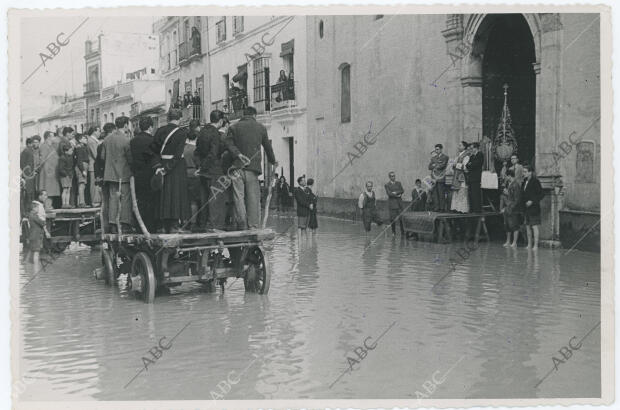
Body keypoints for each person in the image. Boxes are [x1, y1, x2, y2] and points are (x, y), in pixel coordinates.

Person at [225, 106, 277, 230]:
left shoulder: (233, 127)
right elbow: (268, 147)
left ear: (244, 114)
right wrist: (273, 161)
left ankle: (241, 222)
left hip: (237, 168)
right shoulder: (261, 128)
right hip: (253, 169)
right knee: (253, 198)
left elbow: (228, 143)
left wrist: (238, 154)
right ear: (254, 115)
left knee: (239, 197)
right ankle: (253, 225)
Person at [151, 109, 190, 233]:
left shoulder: (159, 131)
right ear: (179, 119)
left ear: (168, 118)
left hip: (161, 163)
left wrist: (158, 167)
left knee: (162, 195)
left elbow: (153, 151)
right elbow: (178, 155)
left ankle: (161, 225)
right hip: (175, 168)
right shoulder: (182, 132)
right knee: (175, 194)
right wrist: (167, 169)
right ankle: (174, 225)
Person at [196, 110, 228, 231]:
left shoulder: (202, 131)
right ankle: (215, 226)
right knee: (216, 199)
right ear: (220, 121)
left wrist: (200, 166)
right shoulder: (215, 133)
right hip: (214, 170)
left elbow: (197, 152)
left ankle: (204, 224)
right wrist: (205, 166)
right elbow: (213, 153)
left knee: (204, 199)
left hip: (203, 172)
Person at [101, 116, 134, 233]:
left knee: (112, 198)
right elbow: (130, 158)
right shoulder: (126, 140)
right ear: (125, 125)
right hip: (123, 173)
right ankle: (125, 223)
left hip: (109, 174)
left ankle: (112, 224)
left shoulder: (107, 139)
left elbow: (102, 157)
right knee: (125, 198)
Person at [130, 116, 159, 233]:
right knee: (152, 201)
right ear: (150, 127)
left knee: (140, 201)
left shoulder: (133, 141)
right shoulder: (153, 141)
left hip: (137, 174)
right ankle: (150, 226)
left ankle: (138, 226)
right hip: (150, 174)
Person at [184, 119, 201, 232]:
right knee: (194, 201)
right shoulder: (196, 150)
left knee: (186, 199)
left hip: (184, 173)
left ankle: (186, 222)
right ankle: (194, 222)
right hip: (195, 174)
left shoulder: (183, 148)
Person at [25, 190, 51, 267]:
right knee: (36, 252)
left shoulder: (31, 214)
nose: (46, 197)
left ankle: (26, 265)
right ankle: (35, 269)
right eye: (45, 195)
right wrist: (46, 231)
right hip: (36, 235)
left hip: (32, 235)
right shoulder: (37, 210)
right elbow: (42, 221)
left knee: (31, 250)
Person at [521, 164, 544, 250]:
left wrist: (532, 201)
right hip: (526, 208)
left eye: (525, 172)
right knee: (527, 227)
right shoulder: (524, 182)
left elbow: (541, 194)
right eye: (523, 172)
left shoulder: (535, 181)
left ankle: (535, 245)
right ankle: (529, 244)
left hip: (534, 208)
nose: (524, 173)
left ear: (530, 172)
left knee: (534, 226)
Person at [37, 131, 61, 209]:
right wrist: (48, 171)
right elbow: (42, 160)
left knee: (52, 191)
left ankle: (49, 205)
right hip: (48, 173)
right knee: (48, 190)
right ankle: (47, 206)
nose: (54, 138)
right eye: (53, 136)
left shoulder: (51, 146)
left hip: (52, 172)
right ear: (48, 137)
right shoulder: (44, 146)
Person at [500, 169, 522, 248]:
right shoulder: (509, 184)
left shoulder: (516, 185)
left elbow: (517, 199)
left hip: (513, 208)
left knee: (514, 225)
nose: (505, 178)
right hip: (508, 207)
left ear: (509, 176)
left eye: (506, 176)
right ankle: (508, 241)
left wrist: (511, 207)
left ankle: (514, 242)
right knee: (507, 225)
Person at [450, 141, 470, 213]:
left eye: (460, 145)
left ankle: (462, 209)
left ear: (464, 147)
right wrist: (453, 165)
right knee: (456, 192)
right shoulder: (458, 156)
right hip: (456, 175)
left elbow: (465, 166)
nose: (459, 147)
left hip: (462, 176)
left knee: (462, 192)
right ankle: (456, 208)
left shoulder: (466, 155)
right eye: (459, 145)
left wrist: (455, 165)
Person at [428, 144, 449, 211]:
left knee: (441, 193)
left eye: (438, 149)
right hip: (433, 178)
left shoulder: (445, 157)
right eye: (435, 149)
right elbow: (429, 167)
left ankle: (442, 208)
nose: (436, 151)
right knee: (435, 193)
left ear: (441, 149)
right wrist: (435, 165)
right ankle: (436, 207)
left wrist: (435, 165)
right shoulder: (433, 158)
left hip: (440, 178)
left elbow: (442, 166)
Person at [465, 142, 484, 213]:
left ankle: (477, 209)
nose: (471, 150)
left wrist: (470, 164)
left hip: (476, 177)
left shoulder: (480, 155)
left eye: (472, 148)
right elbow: (467, 165)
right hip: (471, 177)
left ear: (476, 148)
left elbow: (476, 164)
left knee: (476, 193)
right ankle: (472, 208)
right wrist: (470, 164)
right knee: (471, 194)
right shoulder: (472, 156)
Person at [384, 171, 405, 235]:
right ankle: (393, 232)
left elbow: (402, 190)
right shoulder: (387, 185)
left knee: (401, 218)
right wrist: (397, 195)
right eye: (392, 176)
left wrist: (395, 192)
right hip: (392, 204)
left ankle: (402, 232)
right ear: (389, 177)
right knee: (393, 219)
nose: (393, 177)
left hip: (399, 204)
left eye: (394, 176)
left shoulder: (398, 183)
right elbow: (389, 194)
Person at [20, 137, 36, 217]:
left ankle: (30, 209)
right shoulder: (25, 151)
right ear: (29, 144)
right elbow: (22, 164)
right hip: (27, 175)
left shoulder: (30, 151)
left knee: (31, 192)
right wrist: (27, 172)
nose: (33, 145)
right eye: (32, 143)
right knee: (27, 192)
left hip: (31, 175)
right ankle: (26, 210)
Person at [86, 126, 102, 206]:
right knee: (93, 184)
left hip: (95, 165)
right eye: (99, 131)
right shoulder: (92, 141)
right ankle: (93, 201)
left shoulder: (94, 140)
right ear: (94, 131)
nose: (100, 133)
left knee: (95, 183)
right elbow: (96, 154)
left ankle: (95, 200)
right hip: (93, 165)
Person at [73, 134, 90, 207]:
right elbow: (79, 160)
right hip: (82, 166)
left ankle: (81, 201)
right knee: (81, 184)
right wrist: (83, 170)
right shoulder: (79, 148)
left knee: (82, 184)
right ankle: (81, 202)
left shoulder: (83, 147)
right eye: (84, 138)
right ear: (80, 140)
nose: (86, 139)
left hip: (83, 165)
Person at [58, 144, 74, 209]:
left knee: (68, 190)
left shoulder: (70, 157)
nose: (72, 151)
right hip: (65, 176)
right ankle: (64, 204)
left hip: (69, 175)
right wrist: (66, 174)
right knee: (65, 189)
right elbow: (61, 168)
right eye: (70, 150)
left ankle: (67, 203)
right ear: (66, 151)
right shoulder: (62, 158)